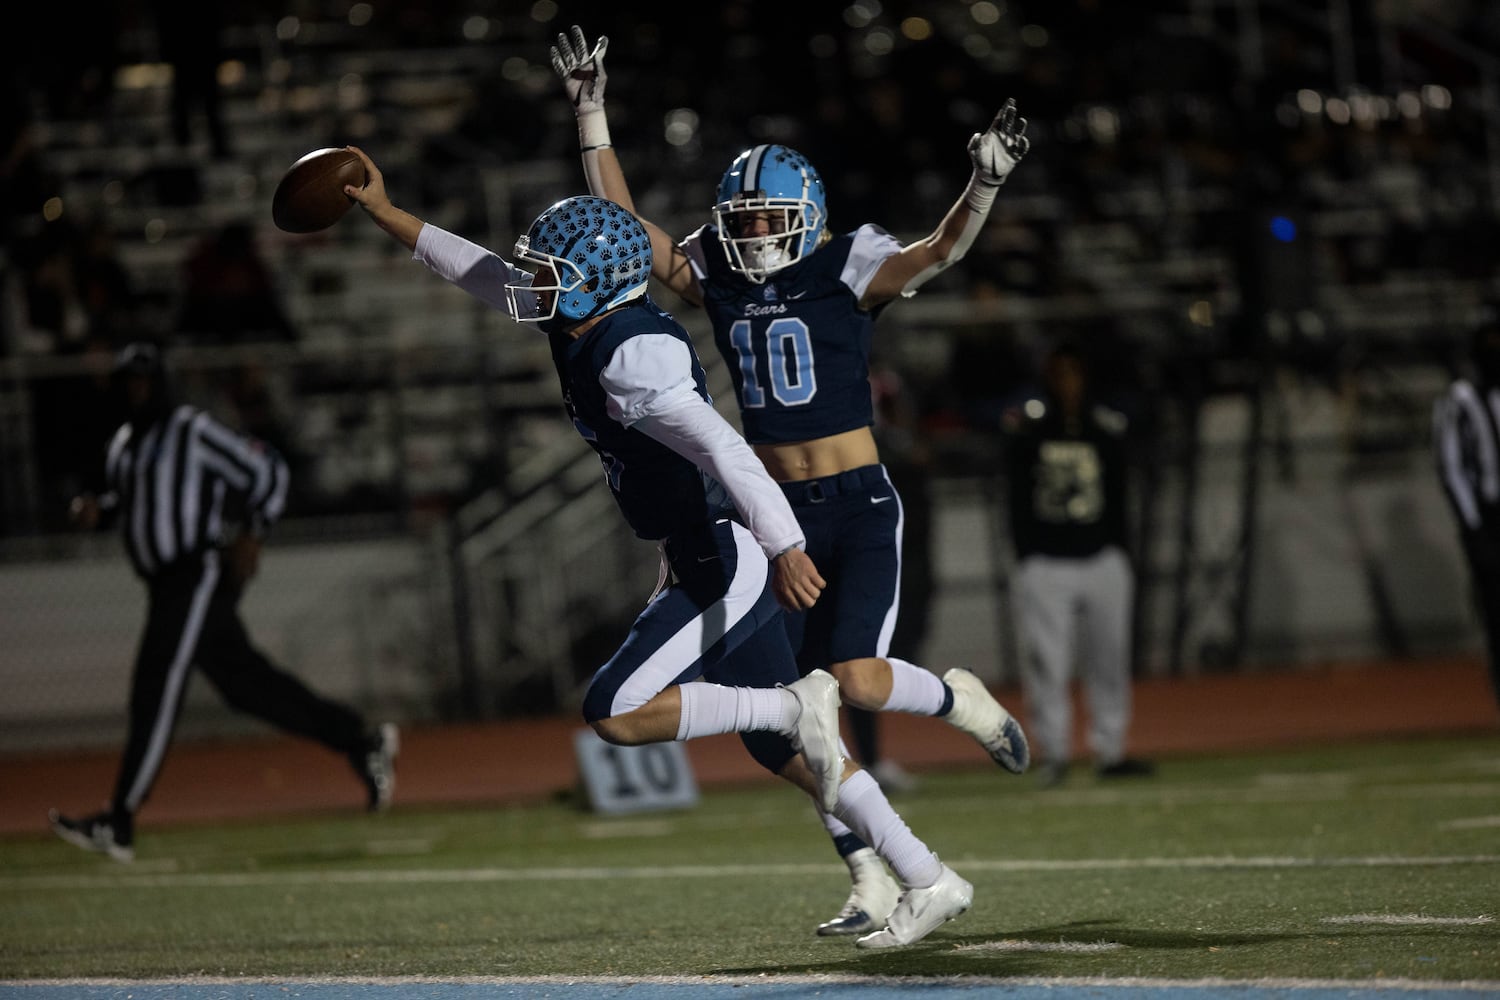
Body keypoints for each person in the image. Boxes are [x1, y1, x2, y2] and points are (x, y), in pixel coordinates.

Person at [342, 150, 972, 949]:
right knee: (783, 754)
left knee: (616, 711)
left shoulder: (634, 350)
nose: (527, 282)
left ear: (595, 282)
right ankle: (925, 876)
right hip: (697, 549)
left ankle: (792, 704)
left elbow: (727, 451)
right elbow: (479, 272)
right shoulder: (578, 311)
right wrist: (386, 212)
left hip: (725, 554)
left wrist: (783, 546)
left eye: (548, 272)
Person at [550, 25, 1030, 936]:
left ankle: (958, 698)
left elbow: (937, 251)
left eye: (770, 220)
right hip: (769, 514)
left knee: (854, 681)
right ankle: (870, 875)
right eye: (745, 223)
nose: (756, 236)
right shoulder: (722, 272)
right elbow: (623, 232)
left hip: (854, 503)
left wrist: (986, 182)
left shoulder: (847, 261)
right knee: (782, 727)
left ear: (804, 214)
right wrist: (591, 114)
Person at [48, 342, 398, 862]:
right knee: (249, 688)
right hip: (166, 584)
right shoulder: (125, 443)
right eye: (128, 382)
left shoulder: (190, 430)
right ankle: (360, 740)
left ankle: (119, 819)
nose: (137, 391)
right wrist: (96, 510)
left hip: (195, 574)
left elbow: (268, 471)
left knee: (156, 685)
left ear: (161, 383)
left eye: (144, 381)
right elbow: (127, 501)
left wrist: (253, 534)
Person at [1001, 341, 1154, 787]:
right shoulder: (1028, 432)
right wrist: (1027, 552)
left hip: (1101, 558)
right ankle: (1055, 753)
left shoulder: (1104, 429)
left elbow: (1122, 495)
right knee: (1048, 662)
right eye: (1060, 375)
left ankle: (1111, 749)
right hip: (1047, 561)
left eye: (1074, 375)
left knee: (1110, 657)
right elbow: (1016, 498)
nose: (1068, 385)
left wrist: (1120, 549)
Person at [1434, 301, 1500, 710]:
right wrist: (1474, 529)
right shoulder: (1460, 400)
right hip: (1490, 519)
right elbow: (1452, 467)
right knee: (1496, 612)